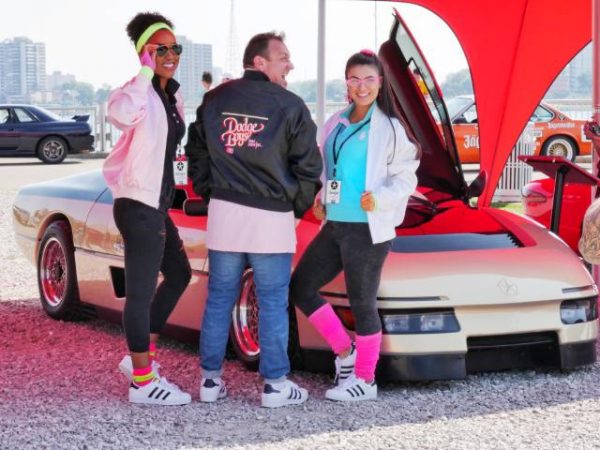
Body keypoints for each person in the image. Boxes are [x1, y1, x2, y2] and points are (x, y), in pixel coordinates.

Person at [186, 31, 322, 408]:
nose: (290, 64)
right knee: (273, 301)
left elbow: (194, 150)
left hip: (225, 214)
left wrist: (210, 191)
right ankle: (275, 385)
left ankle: (210, 382)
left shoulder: (214, 100)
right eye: (283, 58)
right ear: (259, 62)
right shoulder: (292, 106)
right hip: (272, 220)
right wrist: (295, 208)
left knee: (219, 299)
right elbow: (310, 168)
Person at [289, 50, 420, 402]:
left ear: (380, 83)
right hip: (335, 224)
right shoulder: (337, 121)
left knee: (363, 302)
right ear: (346, 82)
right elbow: (327, 167)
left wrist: (379, 198)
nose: (362, 87)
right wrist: (321, 197)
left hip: (368, 227)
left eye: (369, 79)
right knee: (300, 287)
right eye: (355, 80)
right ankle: (345, 353)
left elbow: (406, 179)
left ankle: (365, 380)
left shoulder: (390, 128)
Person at [102, 11, 192, 406]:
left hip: (156, 203)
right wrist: (143, 74)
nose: (170, 54)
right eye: (159, 48)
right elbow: (121, 116)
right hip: (137, 203)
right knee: (139, 293)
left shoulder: (172, 95)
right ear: (143, 53)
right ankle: (142, 381)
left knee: (179, 273)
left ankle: (141, 360)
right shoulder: (133, 91)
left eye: (175, 48)